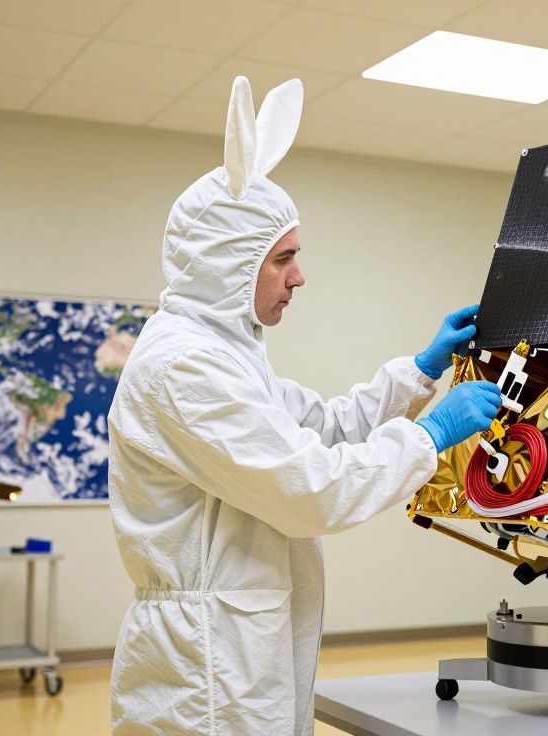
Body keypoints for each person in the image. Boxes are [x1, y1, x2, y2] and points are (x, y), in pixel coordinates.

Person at [107, 76, 502, 735]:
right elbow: (311, 488)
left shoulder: (225, 353)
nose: (299, 277)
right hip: (207, 669)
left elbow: (322, 428)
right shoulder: (186, 367)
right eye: (283, 259)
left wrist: (421, 370)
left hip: (236, 644)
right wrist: (431, 435)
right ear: (228, 264)